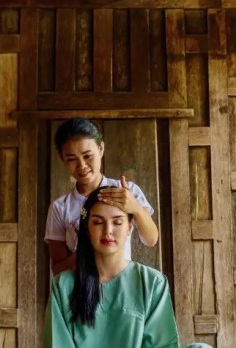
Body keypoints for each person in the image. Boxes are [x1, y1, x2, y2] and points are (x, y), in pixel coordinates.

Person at [0, 188, 218, 348]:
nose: (108, 231)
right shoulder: (64, 284)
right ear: (86, 229)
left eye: (117, 222)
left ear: (130, 227)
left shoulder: (151, 282)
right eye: (98, 222)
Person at [45, 118, 159, 275]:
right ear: (62, 158)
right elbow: (58, 269)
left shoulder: (126, 192)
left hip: (122, 282)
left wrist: (136, 208)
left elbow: (151, 239)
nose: (82, 165)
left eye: (87, 156)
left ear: (101, 149)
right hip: (81, 287)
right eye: (72, 159)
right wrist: (89, 247)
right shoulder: (60, 207)